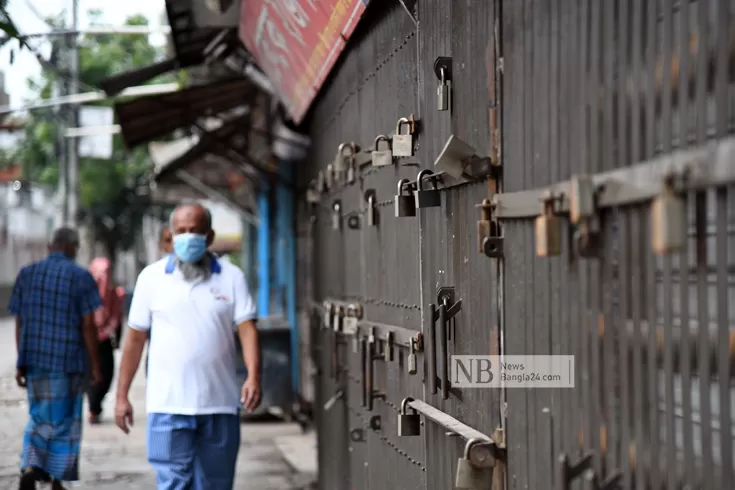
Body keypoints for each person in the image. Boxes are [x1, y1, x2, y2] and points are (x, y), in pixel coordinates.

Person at [115, 203, 261, 490]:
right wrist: (122, 396)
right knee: (173, 484)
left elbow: (247, 330)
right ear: (170, 235)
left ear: (209, 237)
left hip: (219, 405)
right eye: (181, 231)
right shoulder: (151, 279)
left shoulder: (231, 278)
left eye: (195, 231)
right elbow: (134, 341)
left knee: (216, 484)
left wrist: (254, 376)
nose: (188, 237)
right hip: (167, 406)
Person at [8, 228, 103, 490]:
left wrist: (21, 361)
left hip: (36, 360)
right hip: (68, 361)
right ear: (70, 247)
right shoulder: (80, 276)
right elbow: (88, 325)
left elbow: (20, 320)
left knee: (39, 416)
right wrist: (95, 365)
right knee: (66, 421)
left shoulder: (27, 274)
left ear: (52, 245)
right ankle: (57, 478)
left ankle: (30, 465)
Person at [86, 257, 122, 425]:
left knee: (106, 374)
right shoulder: (85, 293)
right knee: (93, 374)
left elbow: (117, 317)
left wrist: (115, 337)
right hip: (89, 339)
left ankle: (96, 405)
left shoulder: (113, 294)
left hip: (106, 340)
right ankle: (93, 408)